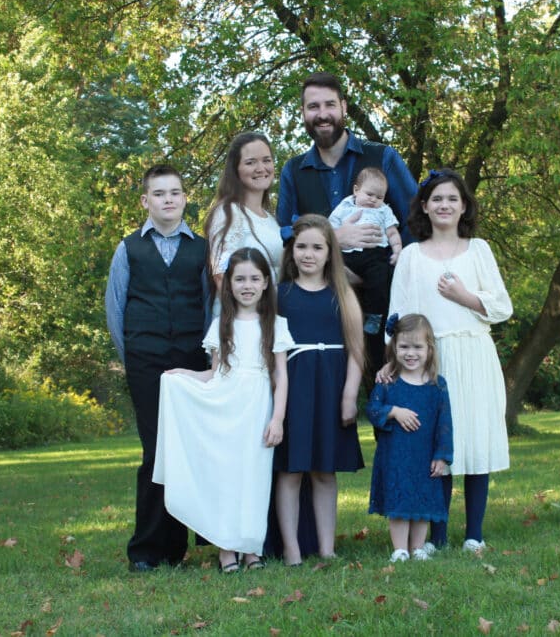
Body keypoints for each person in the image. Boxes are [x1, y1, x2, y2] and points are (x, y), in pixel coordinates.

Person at [386, 168, 513, 554]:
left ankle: (474, 532)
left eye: (452, 199)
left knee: (475, 439)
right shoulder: (411, 255)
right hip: (430, 362)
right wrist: (394, 362)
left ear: (463, 207)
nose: (444, 205)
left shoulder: (479, 250)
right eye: (437, 199)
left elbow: (502, 308)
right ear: (424, 206)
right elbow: (398, 315)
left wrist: (464, 296)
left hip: (474, 355)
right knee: (436, 443)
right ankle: (435, 535)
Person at [153, 248, 293, 573]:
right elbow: (214, 374)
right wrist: (182, 376)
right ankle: (226, 549)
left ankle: (251, 548)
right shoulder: (222, 324)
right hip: (225, 406)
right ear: (228, 284)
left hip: (258, 408)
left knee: (254, 478)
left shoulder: (275, 324)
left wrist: (278, 418)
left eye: (254, 279)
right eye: (239, 279)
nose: (247, 285)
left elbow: (280, 375)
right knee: (227, 477)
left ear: (265, 282)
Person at [275, 71, 418, 370]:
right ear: (303, 112)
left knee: (394, 393)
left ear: (344, 107)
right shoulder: (293, 171)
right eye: (313, 107)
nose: (322, 114)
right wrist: (333, 238)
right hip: (322, 305)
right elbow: (284, 234)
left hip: (386, 304)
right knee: (330, 401)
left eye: (329, 105)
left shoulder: (383, 158)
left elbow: (415, 223)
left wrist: (388, 268)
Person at [104, 164, 208, 571]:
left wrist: (206, 359)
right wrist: (132, 356)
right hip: (145, 362)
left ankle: (176, 548)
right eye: (159, 193)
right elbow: (116, 309)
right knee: (154, 451)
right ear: (146, 201)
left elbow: (208, 306)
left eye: (175, 192)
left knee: (183, 451)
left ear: (185, 199)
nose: (168, 199)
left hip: (189, 361)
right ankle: (146, 550)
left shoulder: (201, 249)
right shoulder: (128, 248)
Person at [273, 214, 365, 565]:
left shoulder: (342, 295)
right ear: (290, 251)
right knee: (291, 470)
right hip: (294, 388)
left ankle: (327, 548)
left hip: (332, 386)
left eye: (317, 247)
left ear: (330, 253)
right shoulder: (280, 295)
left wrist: (348, 396)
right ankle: (293, 550)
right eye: (301, 247)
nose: (308, 254)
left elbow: (356, 349)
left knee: (324, 471)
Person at [366, 314, 453, 563]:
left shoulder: (437, 386)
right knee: (401, 502)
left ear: (429, 349)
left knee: (422, 503)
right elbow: (372, 410)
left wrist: (442, 455)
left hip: (425, 455)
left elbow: (445, 424)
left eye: (417, 347)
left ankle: (417, 547)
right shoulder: (388, 383)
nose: (410, 353)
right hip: (396, 456)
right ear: (394, 348)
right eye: (404, 347)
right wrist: (393, 411)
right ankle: (400, 549)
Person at [205, 132, 284, 295]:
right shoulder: (228, 213)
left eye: (266, 160)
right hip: (241, 317)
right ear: (236, 170)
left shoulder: (271, 219)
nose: (261, 168)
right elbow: (221, 275)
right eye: (250, 162)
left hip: (271, 315)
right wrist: (247, 317)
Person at [328, 166, 403, 335]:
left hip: (375, 255)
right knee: (335, 277)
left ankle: (374, 315)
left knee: (379, 281)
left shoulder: (384, 210)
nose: (373, 200)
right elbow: (329, 228)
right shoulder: (344, 206)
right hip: (348, 254)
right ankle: (336, 314)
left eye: (379, 197)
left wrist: (397, 250)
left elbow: (392, 232)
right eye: (369, 194)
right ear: (356, 190)